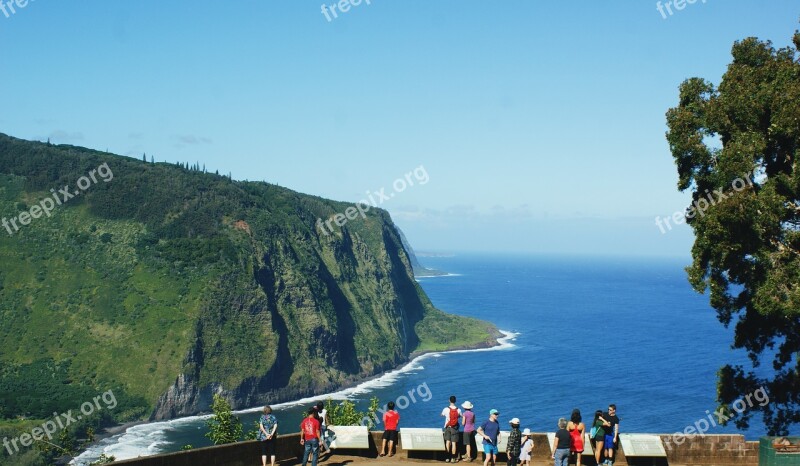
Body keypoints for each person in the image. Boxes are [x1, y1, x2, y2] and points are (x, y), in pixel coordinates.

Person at [441, 395, 462, 462]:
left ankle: (447, 457)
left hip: (447, 427)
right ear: (455, 401)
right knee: (454, 443)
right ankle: (453, 458)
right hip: (455, 428)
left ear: (449, 401)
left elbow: (441, 415)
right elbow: (461, 416)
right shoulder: (458, 409)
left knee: (447, 442)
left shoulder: (446, 409)